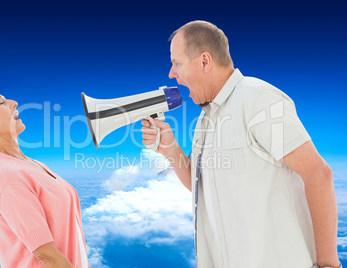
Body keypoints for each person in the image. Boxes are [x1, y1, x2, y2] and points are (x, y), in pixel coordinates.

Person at [141, 20, 340, 268]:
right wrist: (170, 148)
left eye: (177, 63)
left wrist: (329, 264)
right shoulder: (206, 118)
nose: (172, 73)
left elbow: (318, 174)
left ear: (205, 61)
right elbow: (203, 187)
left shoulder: (258, 99)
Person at [0, 84, 90, 268]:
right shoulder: (7, 177)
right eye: (1, 102)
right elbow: (47, 257)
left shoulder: (31, 164)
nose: (14, 103)